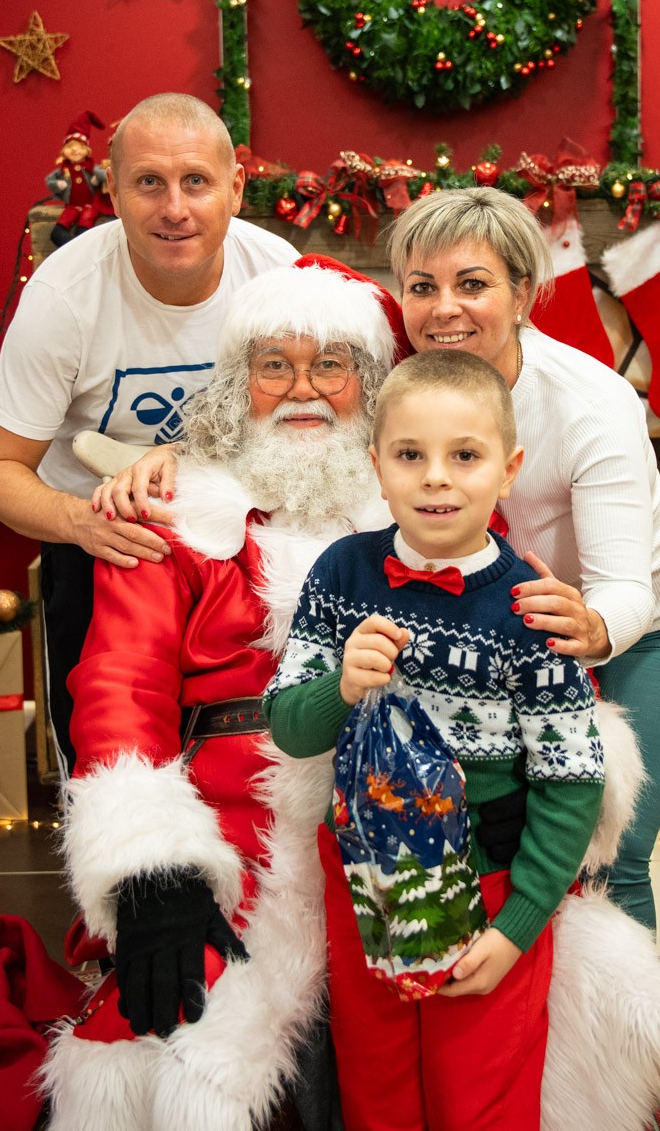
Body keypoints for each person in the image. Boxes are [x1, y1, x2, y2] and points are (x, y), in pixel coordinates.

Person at [42, 262, 660, 1131]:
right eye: (274, 365)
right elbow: (119, 684)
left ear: (372, 385)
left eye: (332, 365)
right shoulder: (176, 518)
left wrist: (531, 812)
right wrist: (151, 863)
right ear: (238, 385)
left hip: (437, 817)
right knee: (201, 1040)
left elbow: (551, 696)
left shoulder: (435, 510)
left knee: (520, 1030)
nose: (302, 389)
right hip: (237, 814)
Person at [100, 187, 660, 931]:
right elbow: (284, 401)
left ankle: (618, 1001)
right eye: (423, 287)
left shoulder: (593, 405)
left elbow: (626, 587)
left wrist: (592, 629)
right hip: (520, 620)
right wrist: (174, 455)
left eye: (473, 284)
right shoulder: (415, 367)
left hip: (645, 620)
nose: (444, 309)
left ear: (524, 292)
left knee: (611, 854)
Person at [264, 350, 614, 1131]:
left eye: (464, 456)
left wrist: (519, 924)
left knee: (477, 1096)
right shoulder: (342, 575)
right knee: (376, 1084)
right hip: (367, 877)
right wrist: (340, 685)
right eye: (409, 455)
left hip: (491, 883)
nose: (435, 479)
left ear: (508, 469)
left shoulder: (532, 610)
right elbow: (288, 726)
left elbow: (572, 777)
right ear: (376, 466)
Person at [0, 92, 298, 776]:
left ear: (236, 189)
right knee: (107, 763)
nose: (175, 208)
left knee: (262, 760)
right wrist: (82, 524)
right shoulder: (63, 298)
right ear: (114, 193)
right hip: (101, 545)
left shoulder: (279, 277)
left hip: (244, 545)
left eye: (196, 181)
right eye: (149, 182)